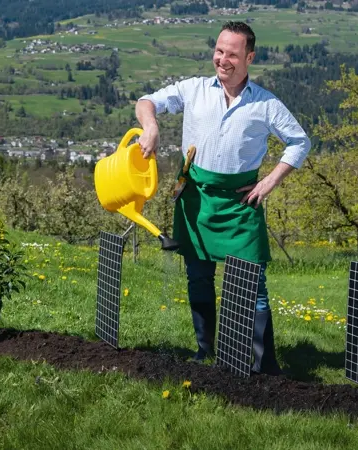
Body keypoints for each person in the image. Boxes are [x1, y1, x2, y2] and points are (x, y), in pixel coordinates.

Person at [134, 21, 311, 375]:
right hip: (195, 199)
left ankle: (266, 368)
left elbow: (300, 141)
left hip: (241, 204)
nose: (222, 60)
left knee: (253, 284)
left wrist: (270, 181)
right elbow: (146, 101)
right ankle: (206, 353)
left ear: (249, 57)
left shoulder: (266, 104)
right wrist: (151, 126)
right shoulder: (194, 89)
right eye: (219, 51)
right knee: (198, 277)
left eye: (232, 54)